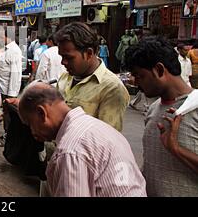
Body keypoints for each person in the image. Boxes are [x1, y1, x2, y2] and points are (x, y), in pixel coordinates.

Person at [17, 81, 147, 197]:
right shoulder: (99, 127)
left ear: (41, 113)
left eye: (30, 124)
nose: (32, 132)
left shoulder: (70, 151)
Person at [124, 37, 198, 196]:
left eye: (140, 76)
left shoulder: (195, 108)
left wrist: (176, 149)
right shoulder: (153, 109)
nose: (136, 83)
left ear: (159, 70)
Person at [55, 22, 130, 132]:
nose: (63, 62)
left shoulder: (112, 88)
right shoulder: (64, 78)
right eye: (61, 57)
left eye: (69, 58)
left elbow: (106, 139)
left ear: (89, 53)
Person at [0, 27, 22, 146]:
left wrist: (12, 93)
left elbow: (15, 73)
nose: (0, 38)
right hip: (4, 88)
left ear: (7, 36)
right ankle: (8, 134)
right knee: (6, 114)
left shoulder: (14, 50)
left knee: (9, 115)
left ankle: (9, 138)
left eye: (1, 35)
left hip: (9, 90)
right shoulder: (7, 49)